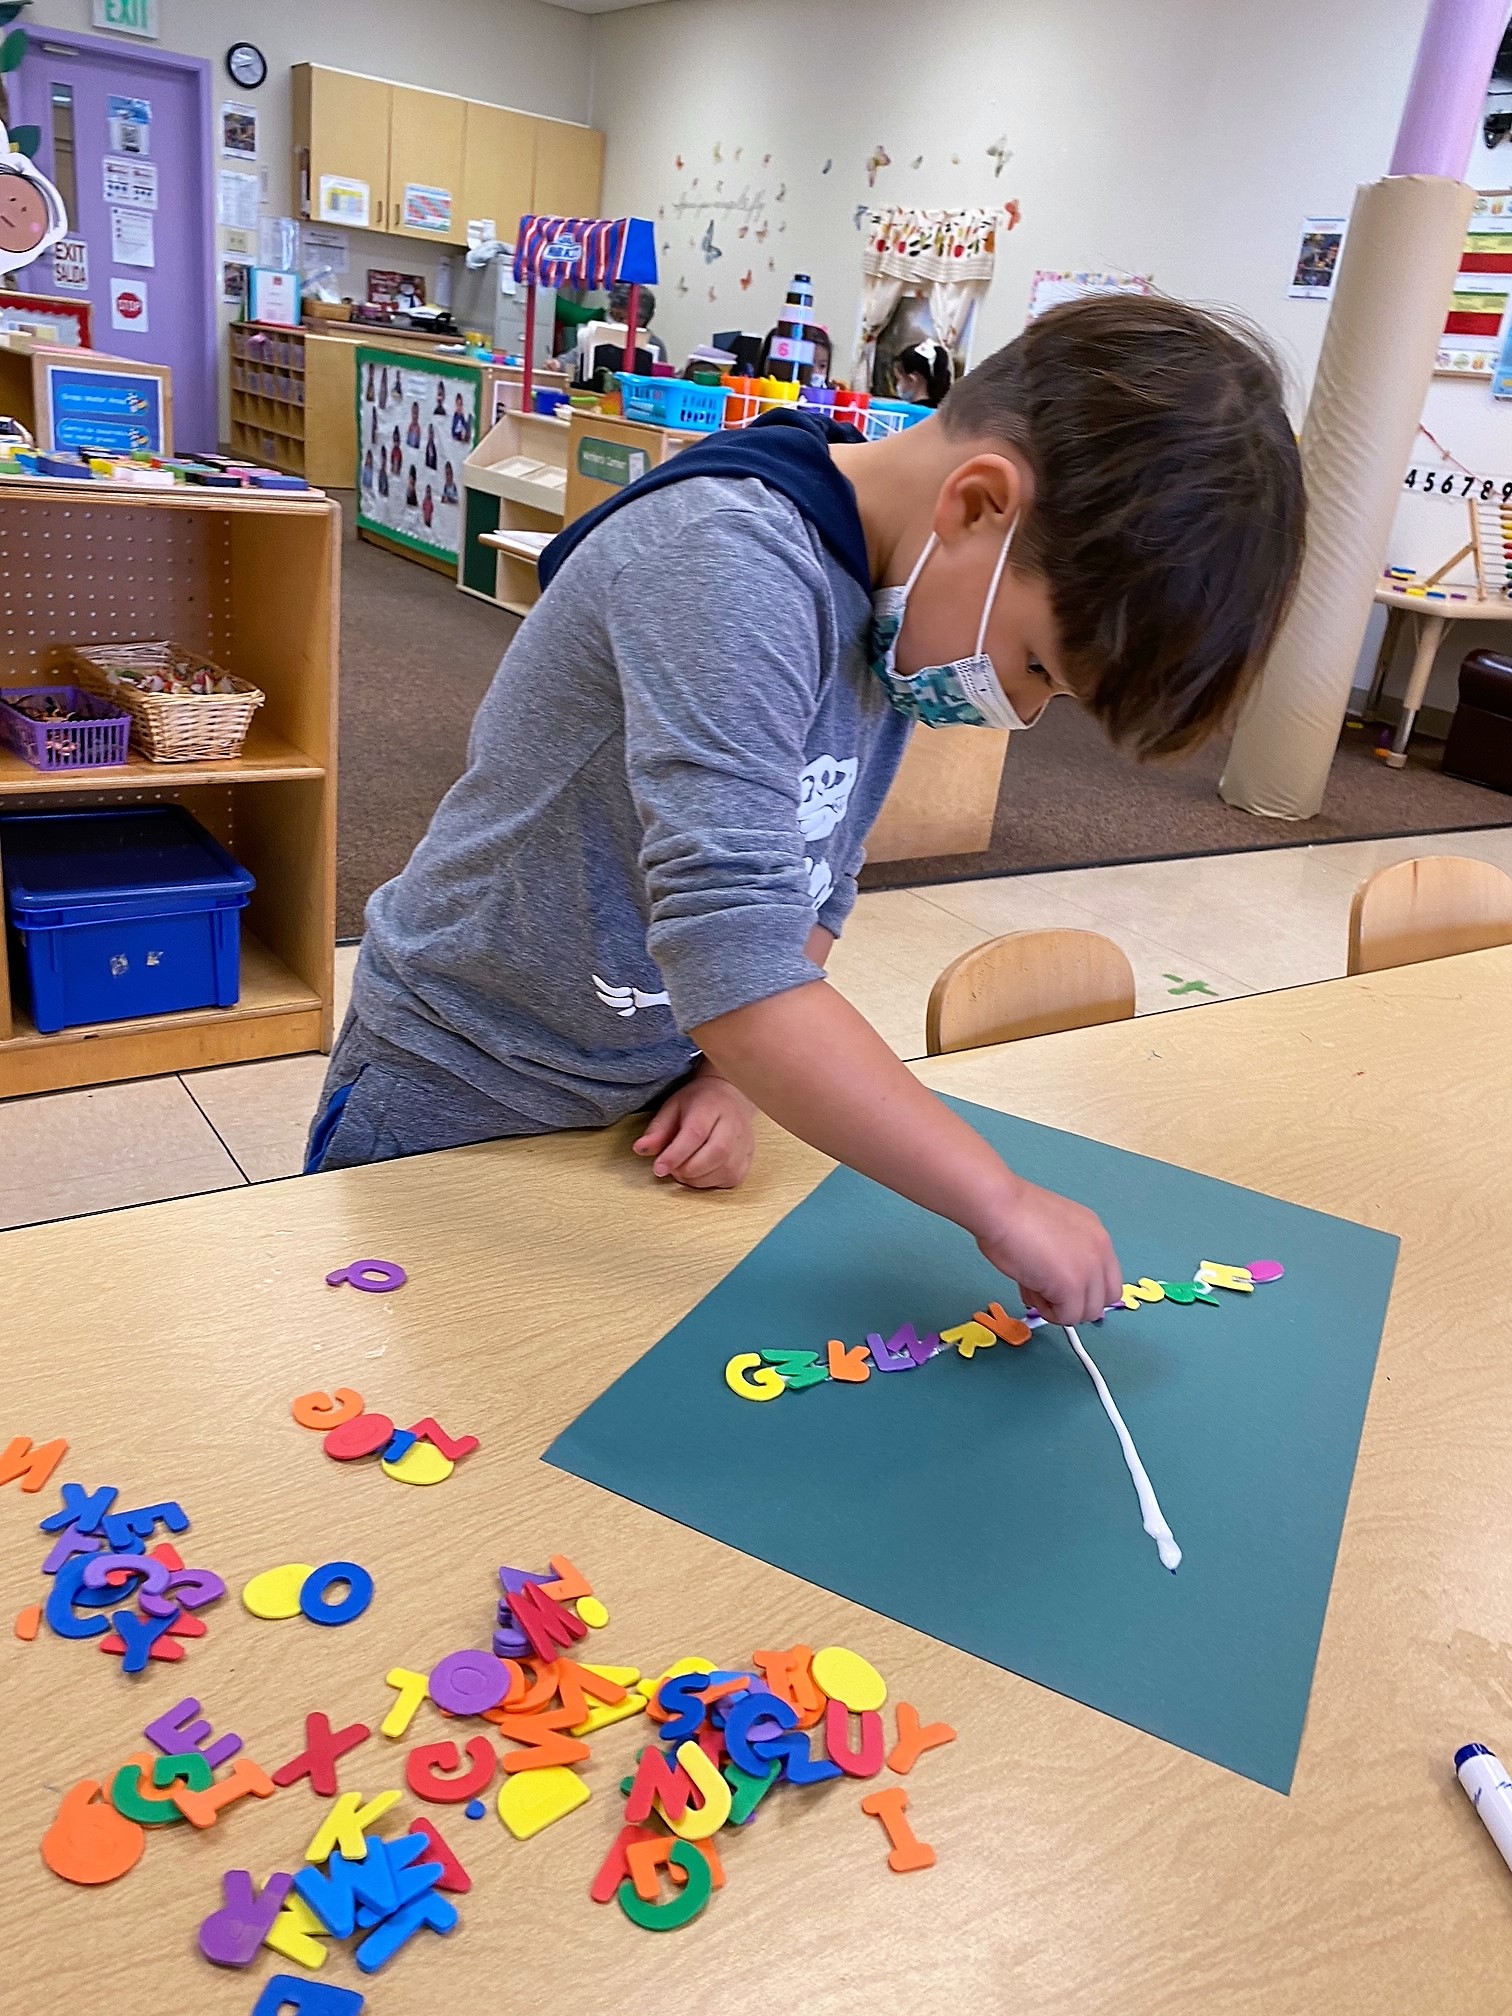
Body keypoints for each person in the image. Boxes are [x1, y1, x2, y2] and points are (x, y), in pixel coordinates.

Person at [306, 296, 1304, 1328]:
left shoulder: (890, 593)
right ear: (976, 508)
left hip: (641, 1093)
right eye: (1040, 666)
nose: (1020, 708)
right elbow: (737, 959)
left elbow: (821, 880)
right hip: (467, 1076)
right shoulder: (727, 562)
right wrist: (996, 1199)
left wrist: (732, 1072)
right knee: (408, 1384)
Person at [892, 339, 952, 408]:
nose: (897, 386)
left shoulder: (908, 414)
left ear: (911, 379)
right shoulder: (944, 414)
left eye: (898, 379)